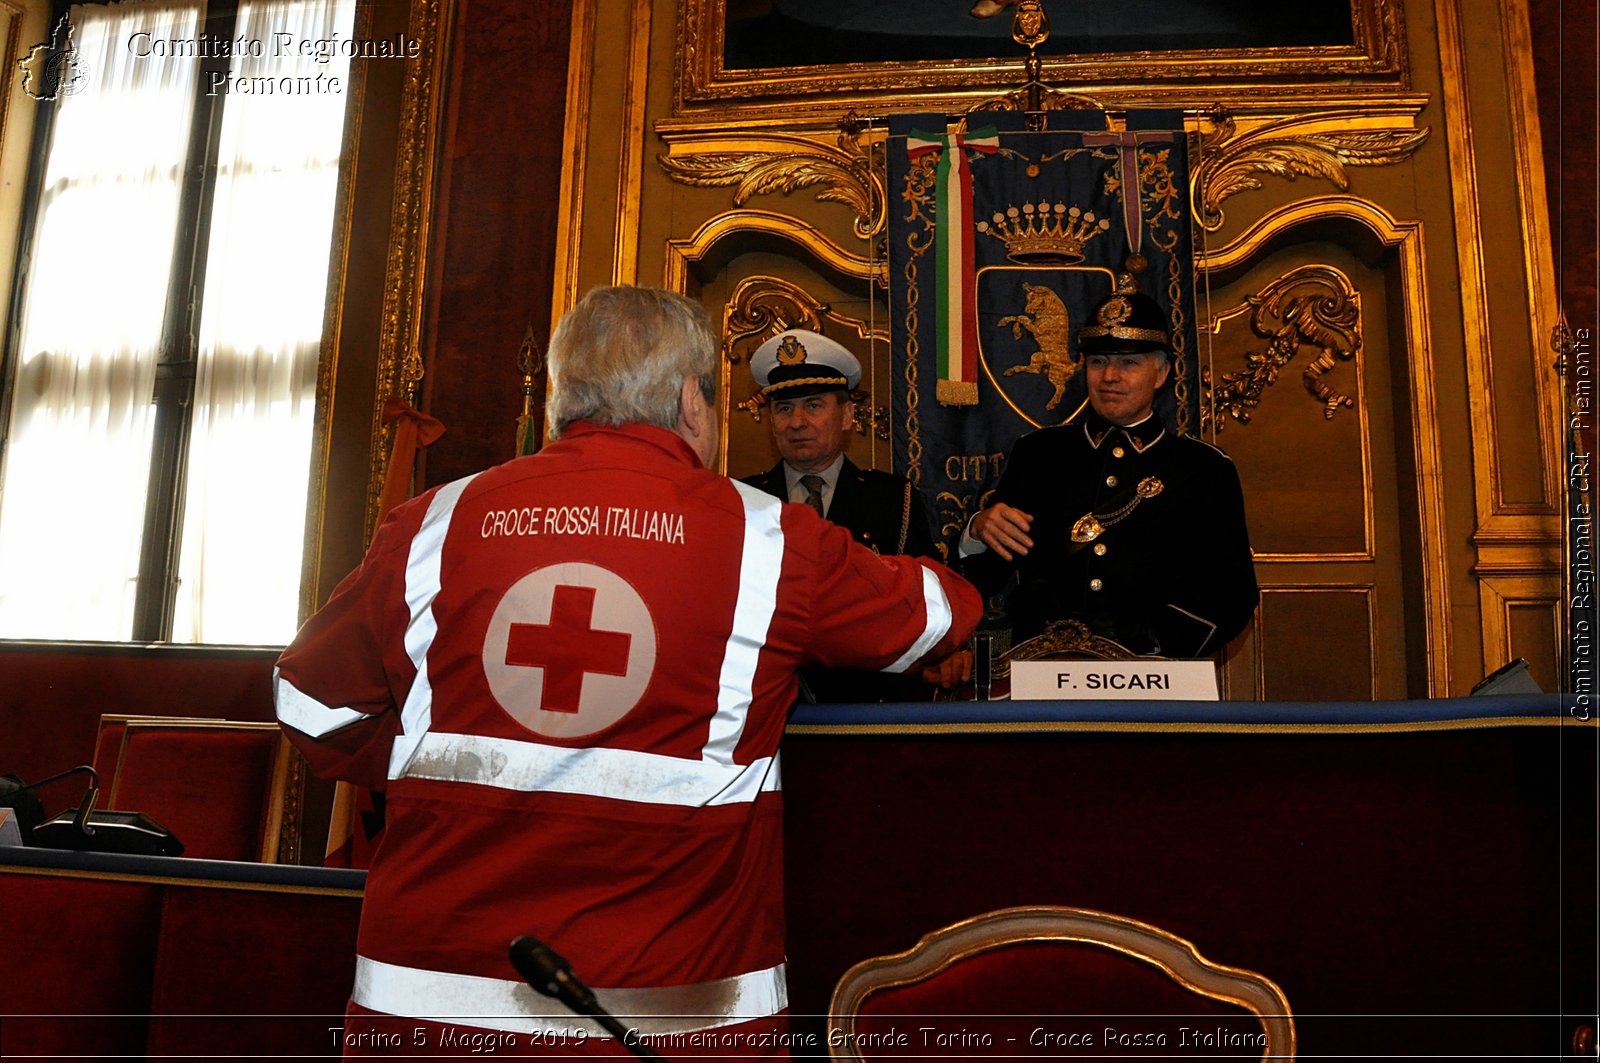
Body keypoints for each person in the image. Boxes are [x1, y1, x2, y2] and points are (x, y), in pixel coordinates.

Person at [274, 285, 981, 1056]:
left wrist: (432, 761)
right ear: (689, 401)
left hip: (423, 1019)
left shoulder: (433, 521)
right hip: (670, 1020)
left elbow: (310, 703)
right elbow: (939, 615)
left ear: (559, 398)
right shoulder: (771, 542)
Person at [964, 273, 1258, 657]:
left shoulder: (1202, 469)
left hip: (1154, 677)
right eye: (1098, 361)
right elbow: (986, 576)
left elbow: (1232, 594)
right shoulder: (1038, 455)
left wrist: (1149, 644)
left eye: (1128, 363)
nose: (1109, 377)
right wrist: (975, 531)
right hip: (1041, 670)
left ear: (1162, 373)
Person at [741, 328, 966, 699]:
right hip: (767, 703)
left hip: (868, 703)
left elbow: (926, 604)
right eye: (783, 408)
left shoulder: (895, 498)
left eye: (813, 405)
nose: (796, 422)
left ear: (847, 415)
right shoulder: (746, 499)